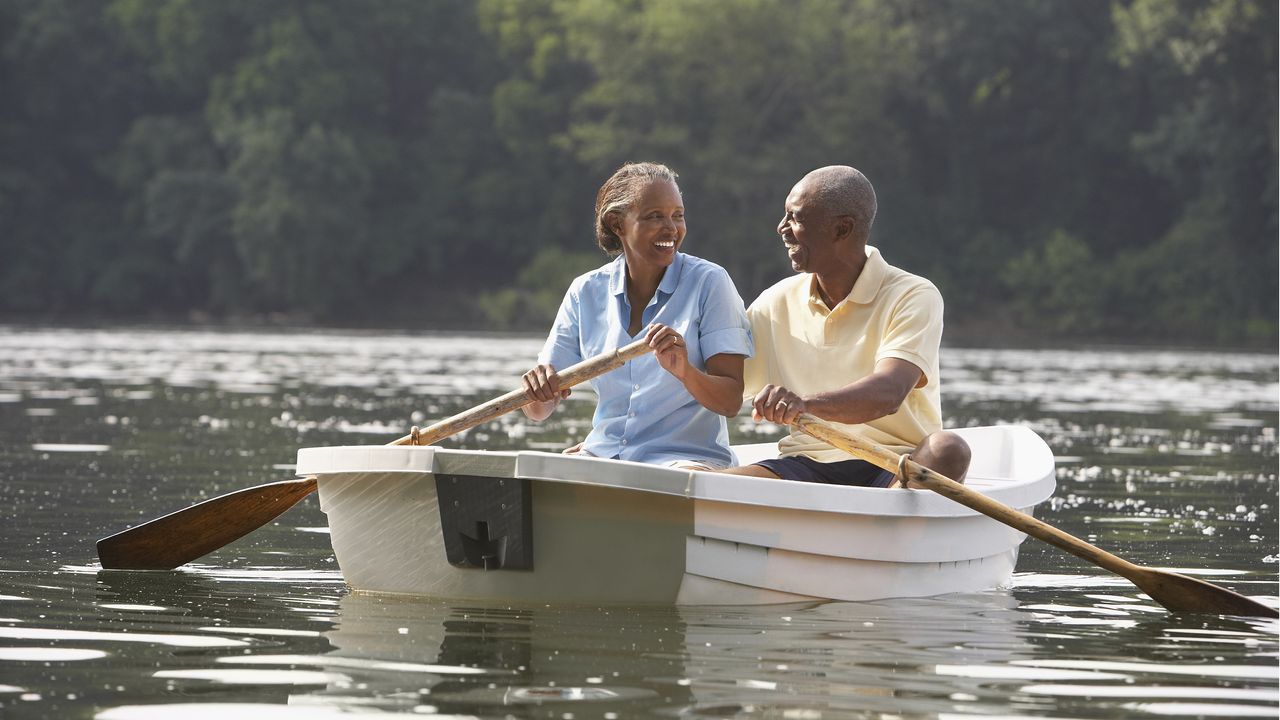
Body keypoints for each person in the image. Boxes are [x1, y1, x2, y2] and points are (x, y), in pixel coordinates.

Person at [720, 165, 970, 486]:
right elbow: (724, 382)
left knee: (948, 449)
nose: (781, 228)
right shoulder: (775, 300)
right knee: (701, 481)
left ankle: (885, 520)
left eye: (795, 218)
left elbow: (888, 392)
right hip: (806, 463)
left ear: (842, 229)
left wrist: (804, 404)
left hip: (894, 464)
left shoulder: (914, 294)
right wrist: (680, 361)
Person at [521, 161, 752, 469]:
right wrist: (537, 392)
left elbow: (730, 402)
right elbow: (538, 411)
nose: (671, 228)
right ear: (618, 224)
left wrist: (685, 371)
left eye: (677, 216)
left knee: (672, 483)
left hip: (685, 461)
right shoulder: (585, 291)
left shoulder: (710, 282)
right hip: (602, 454)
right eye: (655, 216)